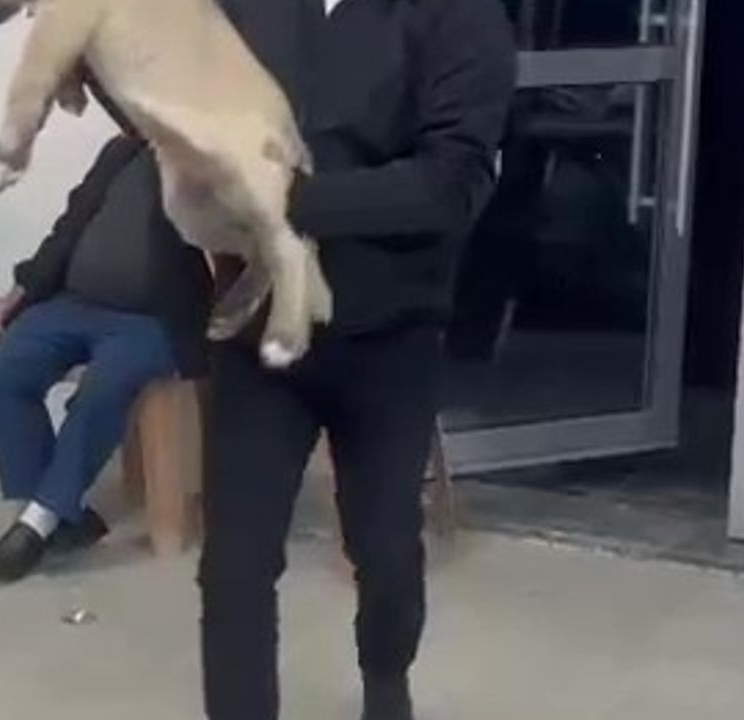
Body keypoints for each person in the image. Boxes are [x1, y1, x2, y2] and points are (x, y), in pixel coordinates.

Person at [199, 1, 516, 719]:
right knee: (234, 565)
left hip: (391, 335)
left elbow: (451, 183)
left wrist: (290, 200)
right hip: (263, 335)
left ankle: (385, 683)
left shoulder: (459, 15)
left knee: (384, 551)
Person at [0, 95, 213, 583]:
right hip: (75, 303)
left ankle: (38, 520)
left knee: (106, 385)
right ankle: (63, 515)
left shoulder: (212, 162)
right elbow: (70, 225)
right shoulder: (119, 152)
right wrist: (25, 287)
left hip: (153, 319)